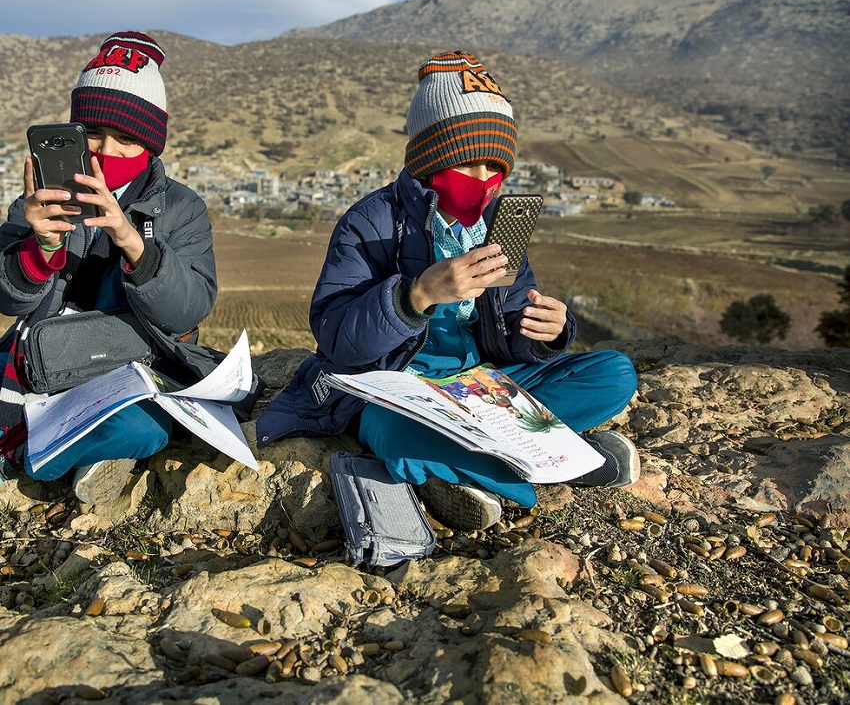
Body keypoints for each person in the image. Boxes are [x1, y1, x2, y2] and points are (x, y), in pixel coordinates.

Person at [257, 50, 639, 530]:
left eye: (494, 167)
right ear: (431, 158)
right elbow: (337, 339)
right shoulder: (371, 221)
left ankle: (471, 467)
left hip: (479, 387)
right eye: (467, 164)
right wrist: (415, 296)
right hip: (396, 390)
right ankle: (548, 467)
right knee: (387, 429)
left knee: (613, 373)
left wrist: (549, 330)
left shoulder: (497, 227)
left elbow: (513, 332)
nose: (483, 181)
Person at [0, 32, 225, 505]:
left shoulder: (181, 208)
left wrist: (131, 239)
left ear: (150, 143)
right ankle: (67, 454)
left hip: (132, 363)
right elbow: (8, 298)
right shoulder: (42, 200)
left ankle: (25, 455)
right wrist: (39, 246)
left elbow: (188, 311)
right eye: (93, 135)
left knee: (143, 430)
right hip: (41, 355)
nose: (106, 150)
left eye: (125, 139)